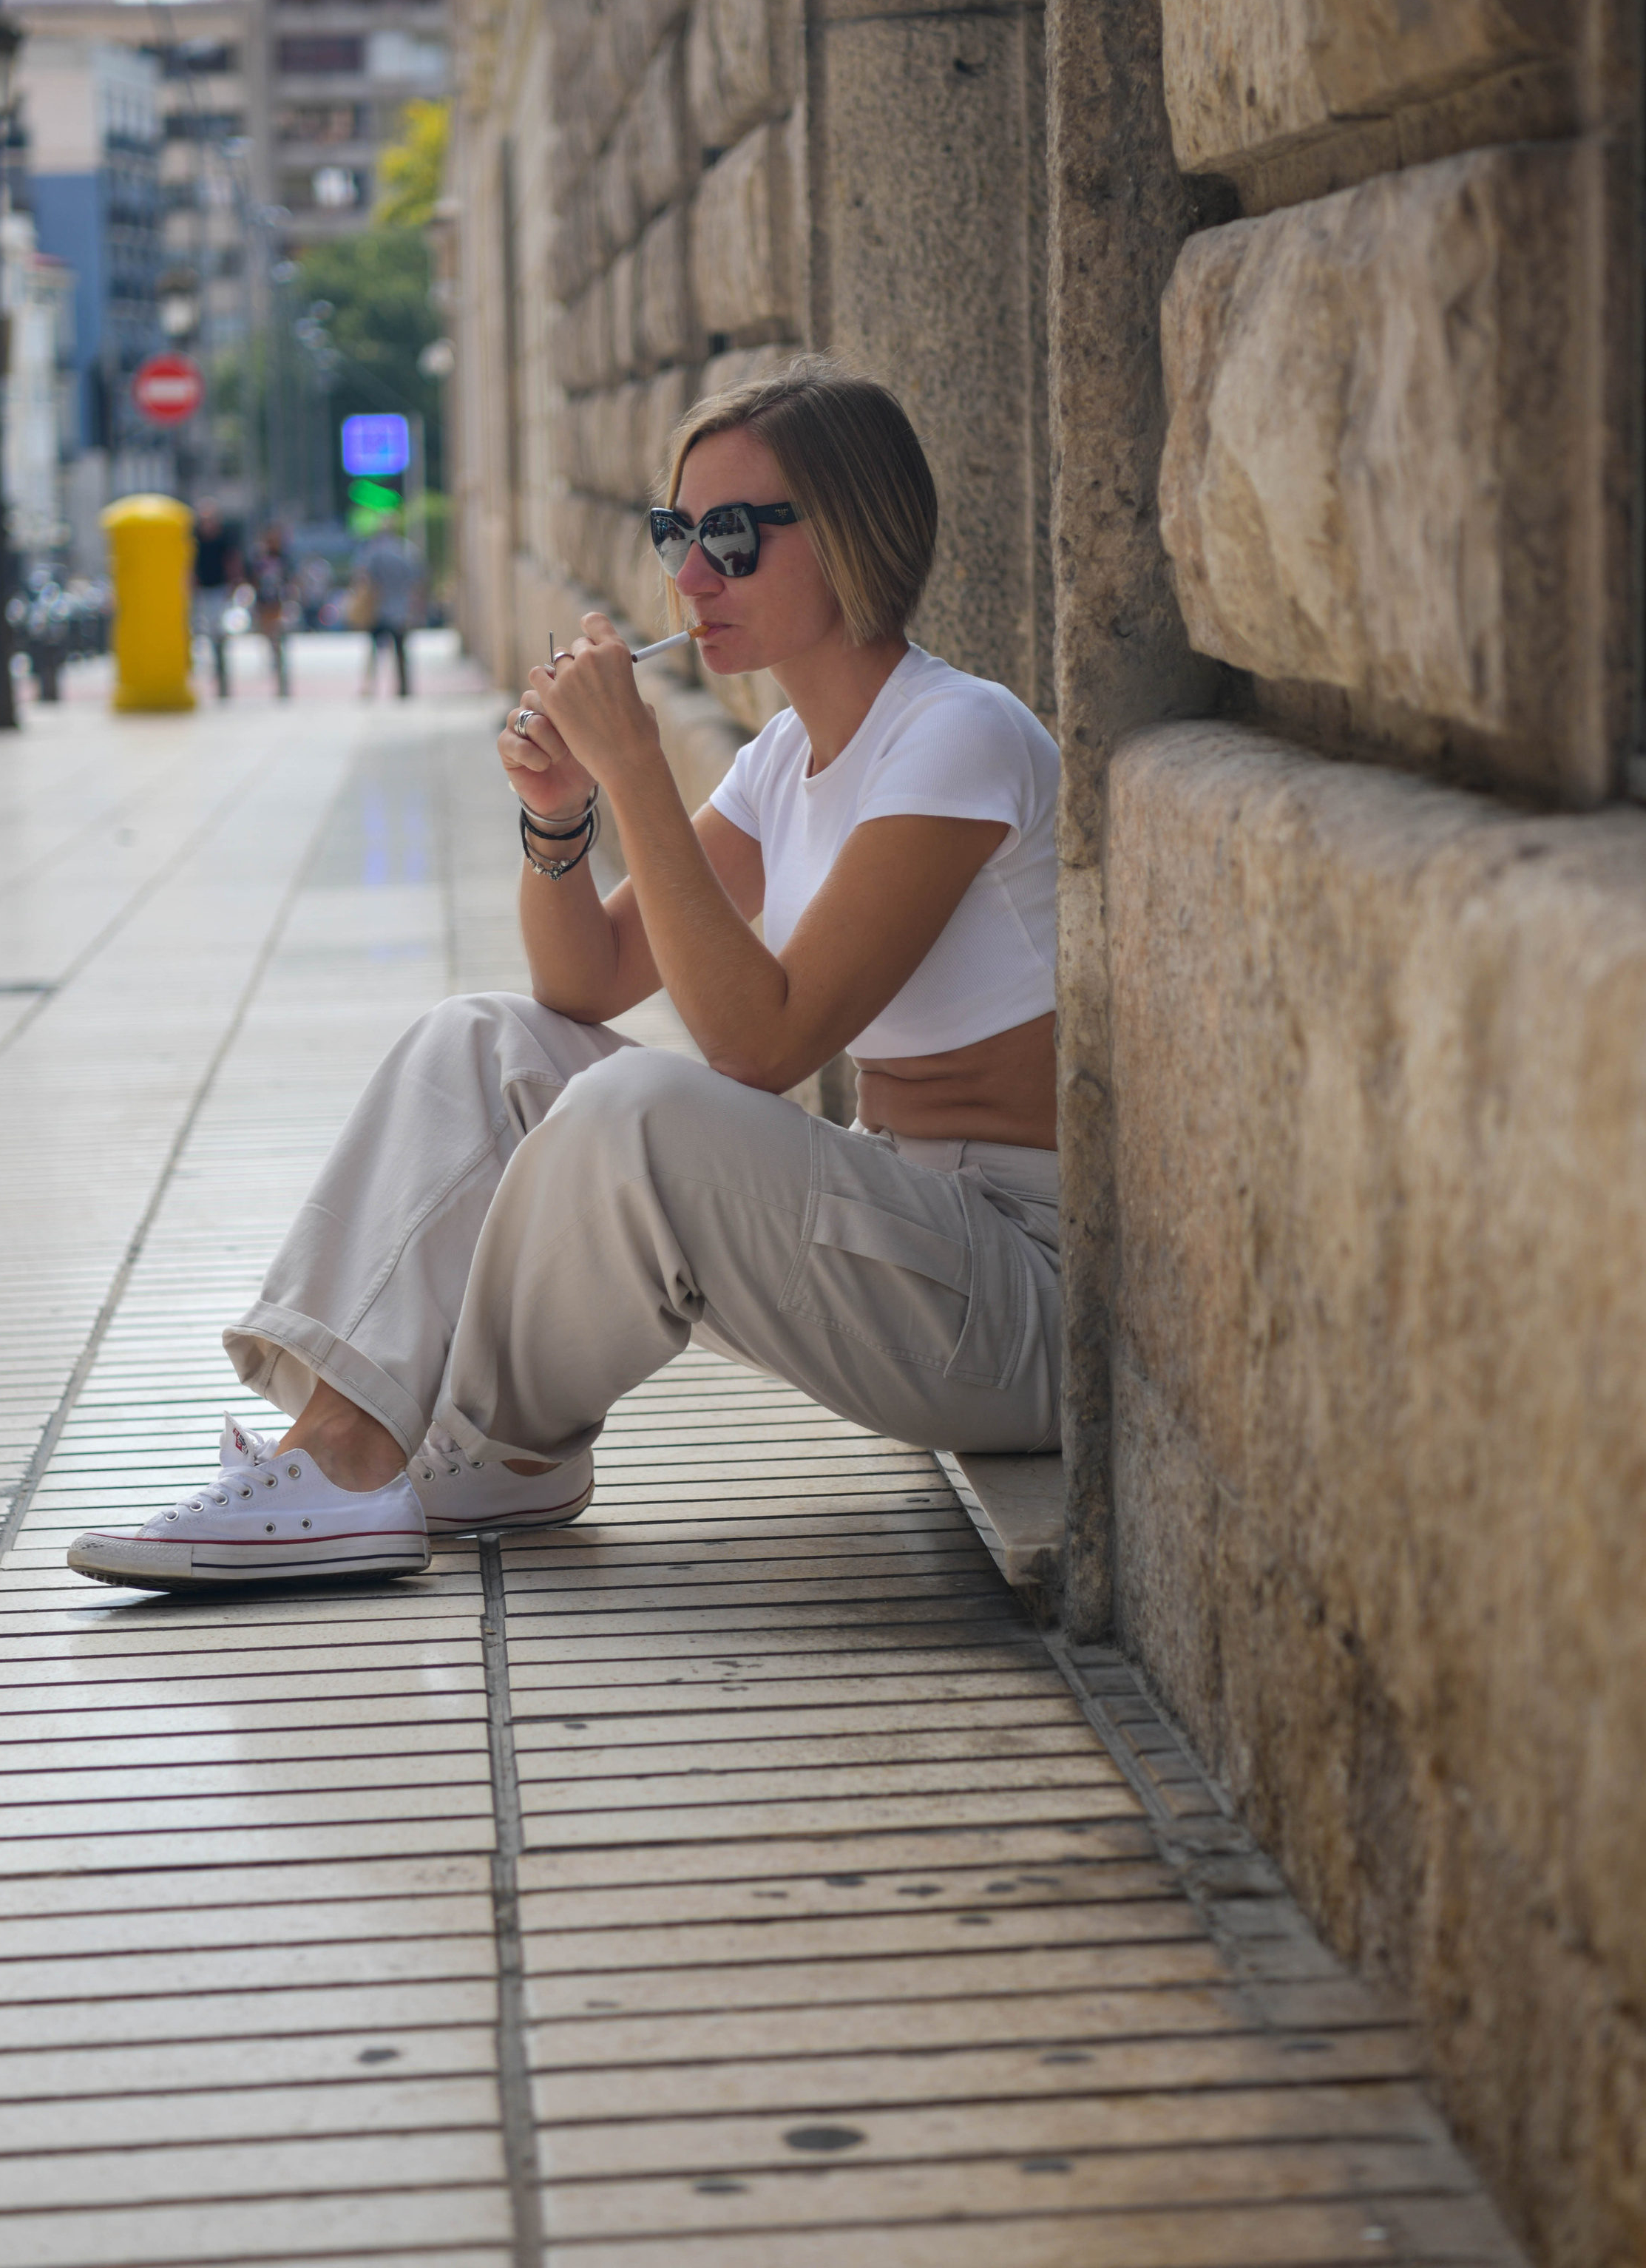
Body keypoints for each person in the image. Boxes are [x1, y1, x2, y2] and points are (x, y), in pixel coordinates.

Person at [68, 362, 1062, 1591]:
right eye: (678, 534)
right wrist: (559, 817)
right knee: (480, 1042)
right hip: (896, 1233)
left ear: (856, 533)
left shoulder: (960, 733)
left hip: (1012, 1300)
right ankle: (372, 1446)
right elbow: (582, 986)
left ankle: (417, 1460)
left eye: (735, 537)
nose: (691, 577)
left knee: (639, 1111)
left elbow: (764, 1045)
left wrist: (637, 763)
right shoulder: (788, 755)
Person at [353, 521, 426, 700]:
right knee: (400, 651)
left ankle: (370, 687)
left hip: (378, 609)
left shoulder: (373, 551)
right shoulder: (406, 550)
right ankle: (404, 688)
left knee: (374, 651)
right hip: (400, 609)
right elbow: (418, 579)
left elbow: (365, 577)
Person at [189, 503, 242, 700]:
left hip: (219, 589)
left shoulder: (223, 540)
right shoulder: (195, 541)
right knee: (201, 629)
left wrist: (234, 583)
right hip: (202, 590)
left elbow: (232, 561)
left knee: (218, 628)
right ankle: (206, 664)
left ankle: (221, 663)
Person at [245, 524, 293, 700]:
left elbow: (290, 578)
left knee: (278, 632)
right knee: (267, 633)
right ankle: (272, 658)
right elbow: (252, 578)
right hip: (264, 600)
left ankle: (279, 660)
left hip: (279, 600)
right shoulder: (259, 559)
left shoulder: (283, 557)